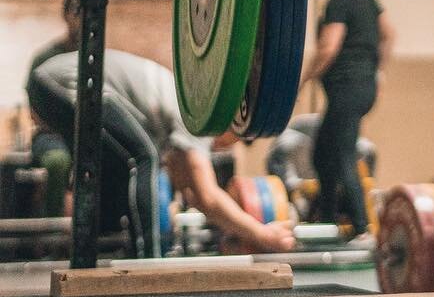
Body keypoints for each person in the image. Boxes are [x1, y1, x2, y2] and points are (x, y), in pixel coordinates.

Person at [26, 49, 295, 256]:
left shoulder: (183, 113)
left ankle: (103, 246)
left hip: (49, 82)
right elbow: (208, 195)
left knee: (120, 167)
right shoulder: (199, 117)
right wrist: (263, 235)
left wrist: (233, 231)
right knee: (143, 158)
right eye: (231, 141)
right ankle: (148, 257)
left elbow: (196, 196)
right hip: (65, 80)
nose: (221, 148)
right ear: (233, 125)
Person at [301, 0, 395, 240]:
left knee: (342, 155)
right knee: (322, 153)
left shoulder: (339, 0)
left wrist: (303, 79)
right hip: (362, 87)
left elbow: (329, 46)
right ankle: (326, 221)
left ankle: (363, 227)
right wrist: (377, 71)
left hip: (347, 90)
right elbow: (389, 34)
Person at [24, 0, 81, 216]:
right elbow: (34, 110)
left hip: (87, 134)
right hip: (52, 135)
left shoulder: (100, 57)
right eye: (76, 12)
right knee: (58, 161)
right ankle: (51, 228)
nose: (81, 19)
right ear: (66, 16)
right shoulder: (46, 58)